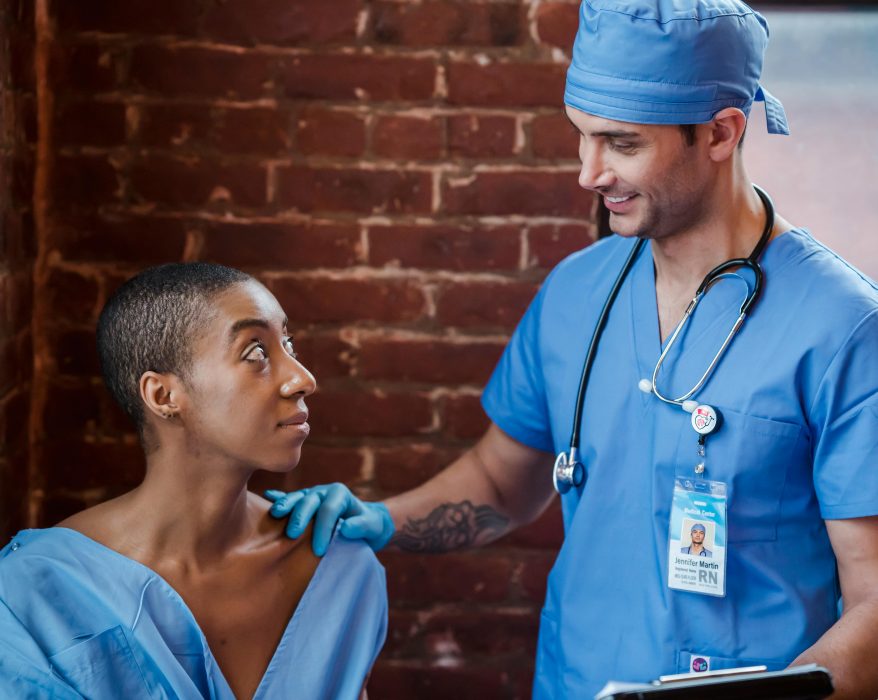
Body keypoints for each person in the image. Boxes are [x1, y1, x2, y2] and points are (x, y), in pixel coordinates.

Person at [269, 1, 878, 697]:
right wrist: (379, 522)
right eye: (581, 137)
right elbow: (503, 484)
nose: (589, 173)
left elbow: (875, 606)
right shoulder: (574, 294)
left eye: (620, 144)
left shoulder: (844, 328)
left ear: (719, 132)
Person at [0, 263, 387, 699]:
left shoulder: (339, 570)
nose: (303, 379)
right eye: (256, 352)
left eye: (288, 343)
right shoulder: (29, 595)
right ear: (163, 396)